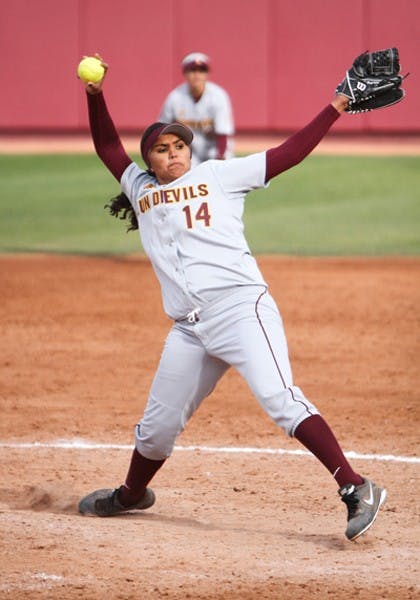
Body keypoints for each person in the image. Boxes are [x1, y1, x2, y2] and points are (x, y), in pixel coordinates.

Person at [77, 55, 387, 542]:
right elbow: (108, 146)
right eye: (163, 149)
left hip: (242, 309)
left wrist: (336, 105)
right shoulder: (140, 189)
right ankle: (133, 493)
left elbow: (288, 153)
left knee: (281, 400)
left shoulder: (218, 176)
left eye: (180, 145)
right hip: (188, 329)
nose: (175, 153)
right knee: (156, 429)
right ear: (149, 161)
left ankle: (356, 486)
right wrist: (95, 97)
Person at [158, 52, 234, 166]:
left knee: (223, 172)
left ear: (207, 74)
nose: (197, 75)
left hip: (214, 147)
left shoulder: (218, 96)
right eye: (192, 70)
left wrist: (220, 160)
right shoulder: (175, 97)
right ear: (185, 73)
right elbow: (161, 129)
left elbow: (223, 134)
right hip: (189, 148)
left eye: (201, 70)